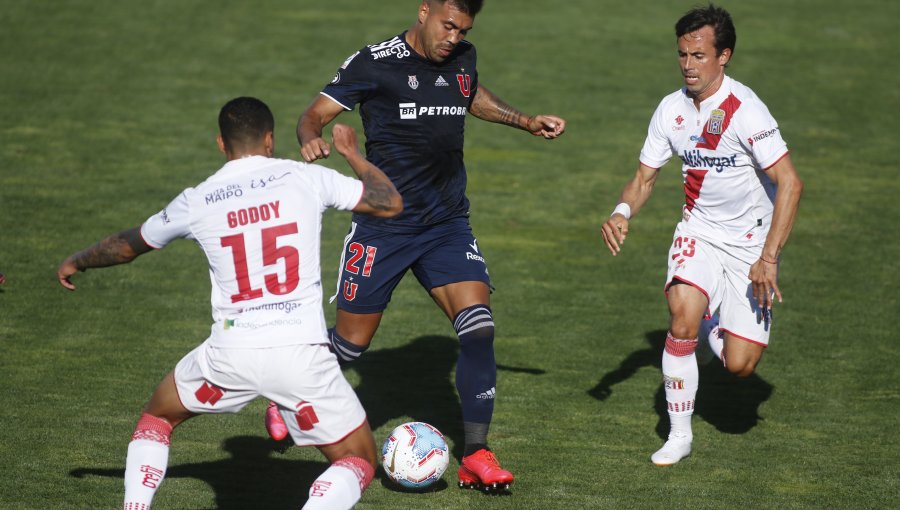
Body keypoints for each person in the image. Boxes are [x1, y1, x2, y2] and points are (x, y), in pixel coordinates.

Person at [264, 0, 565, 491]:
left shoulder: (462, 56)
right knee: (349, 346)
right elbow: (313, 114)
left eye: (463, 29)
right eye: (447, 25)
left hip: (446, 223)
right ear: (424, 11)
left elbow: (467, 94)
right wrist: (310, 138)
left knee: (479, 329)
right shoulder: (374, 62)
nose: (454, 37)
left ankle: (476, 455)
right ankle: (284, 396)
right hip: (384, 226)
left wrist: (525, 120)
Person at [57, 97, 402, 509]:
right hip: (300, 355)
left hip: (228, 354)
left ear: (221, 144)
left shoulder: (199, 198)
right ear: (270, 140)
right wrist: (351, 152)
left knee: (158, 418)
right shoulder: (304, 177)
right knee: (357, 459)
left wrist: (77, 260)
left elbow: (127, 246)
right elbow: (388, 201)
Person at [599, 4, 803, 466]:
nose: (688, 66)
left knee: (740, 366)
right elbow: (644, 177)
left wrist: (769, 257)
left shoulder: (745, 110)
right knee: (680, 321)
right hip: (698, 234)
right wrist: (622, 211)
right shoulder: (670, 110)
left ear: (724, 55)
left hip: (751, 247)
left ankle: (715, 325)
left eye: (698, 56)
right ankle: (679, 435)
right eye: (682, 55)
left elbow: (791, 182)